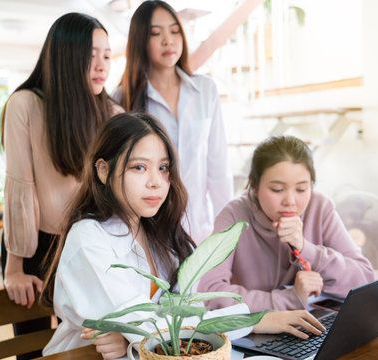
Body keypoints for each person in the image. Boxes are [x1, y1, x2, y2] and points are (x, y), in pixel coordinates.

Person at [40, 113, 325, 358]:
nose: (156, 182)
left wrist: (130, 336)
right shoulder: (89, 238)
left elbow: (185, 314)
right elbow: (145, 326)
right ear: (103, 170)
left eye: (163, 168)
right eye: (139, 167)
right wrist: (255, 320)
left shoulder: (156, 232)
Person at [1, 12, 122, 359]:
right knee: (34, 350)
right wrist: (14, 269)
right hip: (33, 247)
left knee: (88, 347)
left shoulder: (112, 114)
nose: (102, 65)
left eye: (107, 55)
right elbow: (20, 190)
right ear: (67, 56)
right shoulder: (25, 104)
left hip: (88, 246)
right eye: (91, 54)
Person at [198, 135, 375, 312]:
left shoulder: (320, 207)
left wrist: (307, 249)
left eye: (301, 189)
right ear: (254, 186)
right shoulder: (233, 215)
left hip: (310, 326)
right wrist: (289, 299)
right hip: (253, 332)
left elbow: (364, 280)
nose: (290, 201)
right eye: (277, 189)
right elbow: (210, 292)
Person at [113, 0, 232, 244]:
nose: (168, 40)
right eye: (156, 33)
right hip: (145, 234)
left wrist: (227, 233)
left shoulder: (205, 90)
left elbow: (218, 168)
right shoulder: (124, 99)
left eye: (175, 31)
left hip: (200, 231)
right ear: (140, 41)